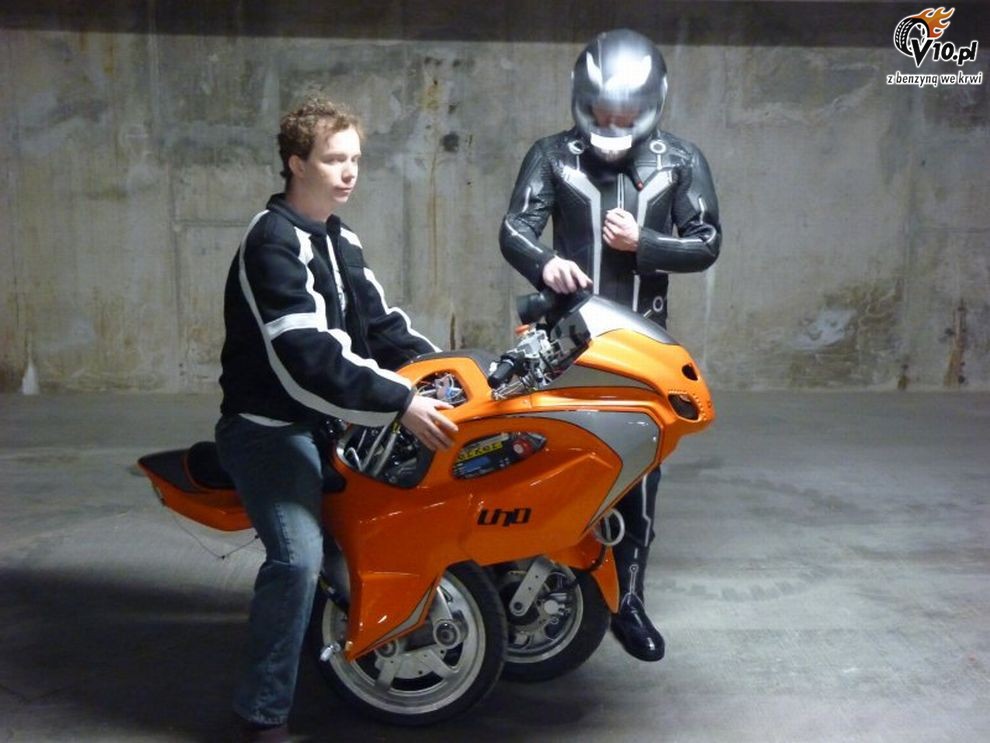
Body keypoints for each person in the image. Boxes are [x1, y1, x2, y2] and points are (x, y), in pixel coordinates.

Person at [215, 96, 457, 742]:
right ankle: (262, 712)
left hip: (333, 423)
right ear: (297, 163)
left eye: (355, 159)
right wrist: (402, 403)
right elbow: (306, 358)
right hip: (269, 429)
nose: (349, 172)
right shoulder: (271, 242)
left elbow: (382, 328)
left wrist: (448, 373)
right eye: (332, 159)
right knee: (298, 559)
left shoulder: (339, 238)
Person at [499, 29, 721, 662]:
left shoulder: (680, 159)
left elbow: (706, 242)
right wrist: (545, 264)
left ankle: (628, 600)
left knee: (640, 469)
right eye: (601, 110)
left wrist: (642, 245)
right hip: (564, 339)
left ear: (651, 103)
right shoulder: (552, 153)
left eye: (625, 113)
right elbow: (515, 228)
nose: (611, 123)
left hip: (642, 343)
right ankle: (526, 575)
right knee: (545, 458)